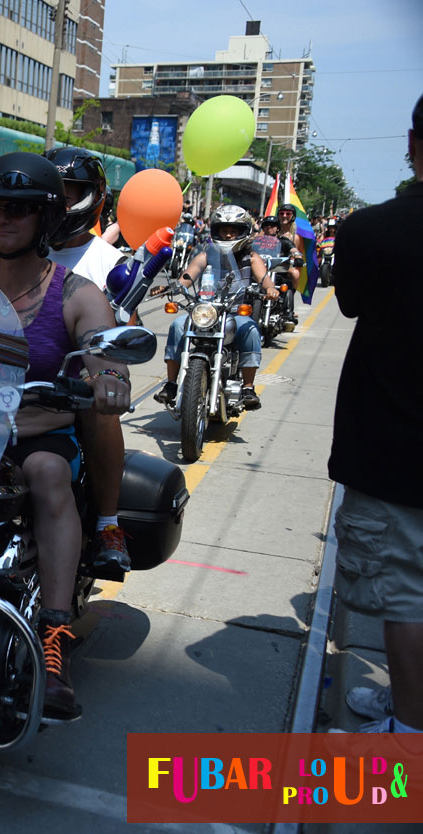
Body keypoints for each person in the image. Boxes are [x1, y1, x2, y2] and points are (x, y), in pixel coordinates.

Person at [0, 152, 133, 719]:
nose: (3, 220)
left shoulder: (76, 293)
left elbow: (107, 353)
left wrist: (108, 378)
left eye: (19, 210)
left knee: (49, 474)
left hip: (37, 434)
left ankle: (54, 637)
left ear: (46, 220)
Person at [327, 94, 423, 735]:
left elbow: (350, 304)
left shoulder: (369, 231)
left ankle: (411, 736)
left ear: (414, 145)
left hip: (396, 449)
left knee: (407, 597)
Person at [44, 147, 131, 571]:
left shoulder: (109, 263)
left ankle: (108, 524)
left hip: (75, 382)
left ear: (90, 197)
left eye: (67, 192)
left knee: (101, 410)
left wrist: (109, 376)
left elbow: (119, 333)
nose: (58, 202)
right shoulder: (21, 249)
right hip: (12, 373)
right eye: (51, 192)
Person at [154, 204, 278, 410]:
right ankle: (172, 384)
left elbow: (264, 279)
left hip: (234, 312)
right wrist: (172, 287)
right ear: (216, 231)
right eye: (224, 230)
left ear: (243, 232)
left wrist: (270, 289)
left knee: (251, 330)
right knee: (177, 325)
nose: (228, 235)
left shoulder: (251, 257)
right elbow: (187, 276)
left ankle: (248, 387)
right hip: (206, 311)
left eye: (233, 231)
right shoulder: (206, 255)